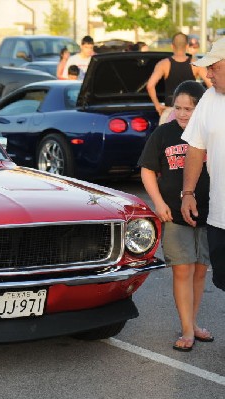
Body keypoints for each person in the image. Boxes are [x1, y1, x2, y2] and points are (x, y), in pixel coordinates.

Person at [139, 80, 213, 352]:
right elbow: (147, 170)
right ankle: (186, 330)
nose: (182, 114)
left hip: (209, 214)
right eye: (178, 108)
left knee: (200, 271)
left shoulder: (211, 133)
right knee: (183, 269)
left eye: (189, 109)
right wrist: (158, 203)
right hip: (174, 215)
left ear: (201, 109)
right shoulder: (163, 134)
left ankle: (193, 323)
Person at [181, 36, 225, 295]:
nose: (207, 74)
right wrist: (188, 193)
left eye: (214, 67)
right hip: (220, 216)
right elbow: (196, 148)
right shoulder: (209, 98)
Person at [147, 32, 211, 126]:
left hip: (170, 109)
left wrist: (157, 105)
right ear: (187, 46)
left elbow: (150, 85)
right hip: (191, 112)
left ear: (172, 46)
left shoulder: (163, 64)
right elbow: (211, 85)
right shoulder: (196, 64)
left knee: (167, 139)